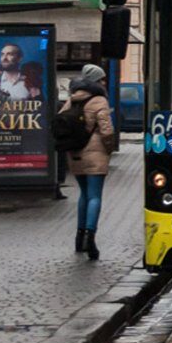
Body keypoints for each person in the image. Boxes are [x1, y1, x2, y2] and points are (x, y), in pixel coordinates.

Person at [60, 64, 116, 261]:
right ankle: (90, 239)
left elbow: (61, 122)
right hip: (95, 154)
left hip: (75, 152)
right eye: (101, 79)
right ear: (95, 81)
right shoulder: (99, 100)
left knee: (83, 194)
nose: (104, 82)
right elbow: (107, 130)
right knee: (94, 196)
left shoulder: (72, 99)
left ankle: (79, 238)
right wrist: (109, 148)